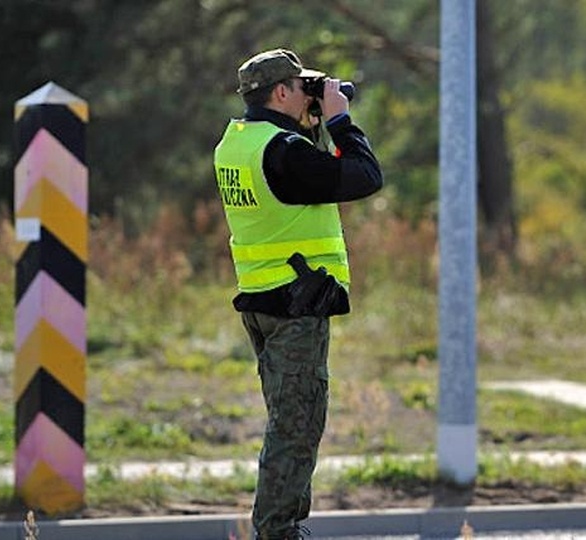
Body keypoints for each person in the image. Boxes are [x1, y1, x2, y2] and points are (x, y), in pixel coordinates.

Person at [213, 48, 383, 539]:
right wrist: (341, 121)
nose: (312, 93)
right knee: (295, 429)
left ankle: (280, 529)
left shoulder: (238, 143)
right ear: (281, 92)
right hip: (295, 303)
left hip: (262, 299)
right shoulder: (284, 151)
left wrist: (312, 122)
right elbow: (364, 176)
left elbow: (297, 180)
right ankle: (278, 532)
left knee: (288, 422)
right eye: (303, 86)